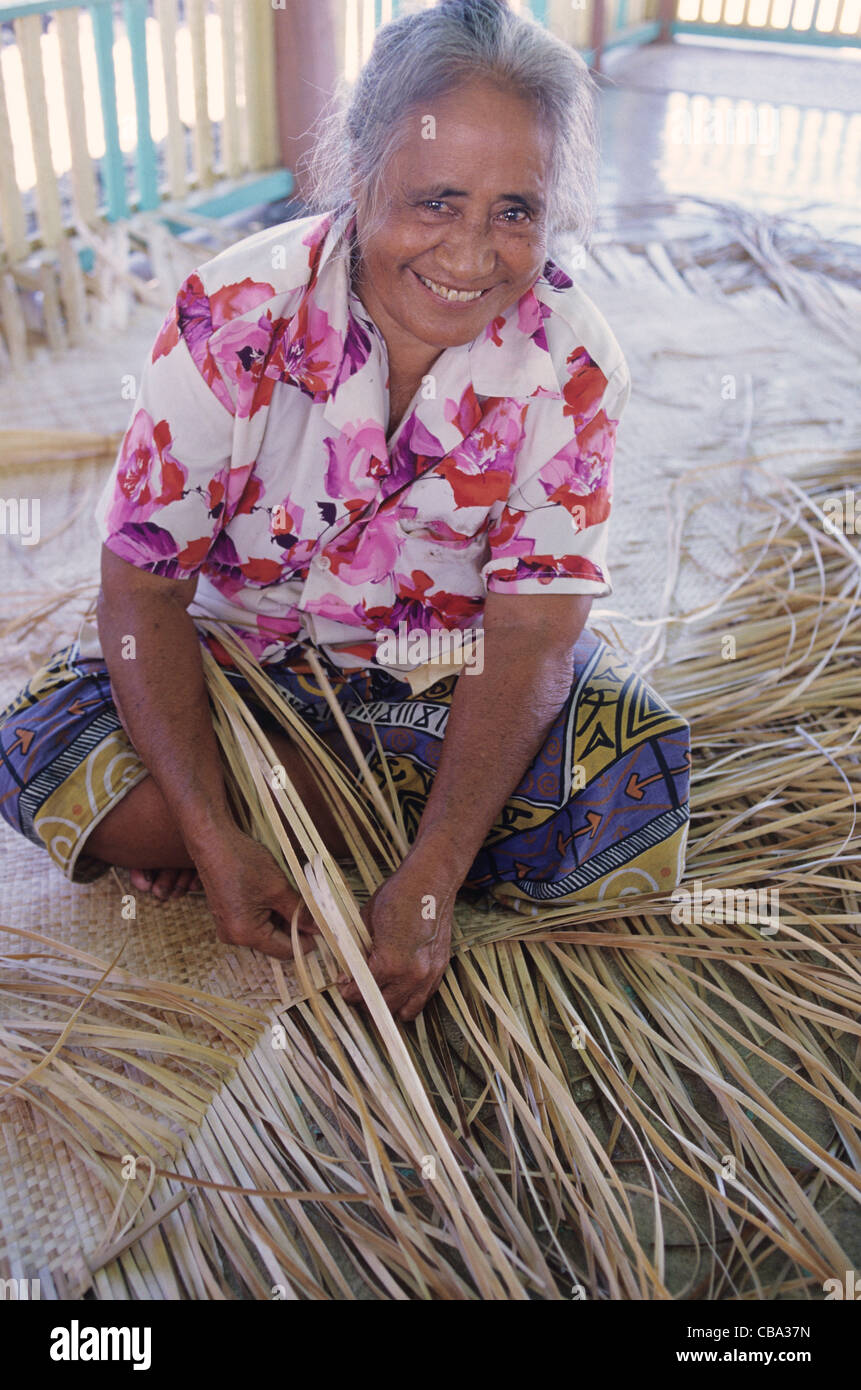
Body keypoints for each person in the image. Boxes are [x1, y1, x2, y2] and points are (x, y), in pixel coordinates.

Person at [0, 0, 690, 1021]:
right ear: (359, 173)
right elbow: (141, 597)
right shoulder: (231, 317)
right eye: (437, 200)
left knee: (637, 779)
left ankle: (348, 817)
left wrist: (437, 873)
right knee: (30, 750)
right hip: (237, 670)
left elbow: (537, 636)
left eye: (516, 211)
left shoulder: (575, 367)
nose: (471, 253)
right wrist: (204, 828)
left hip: (441, 686)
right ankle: (301, 811)